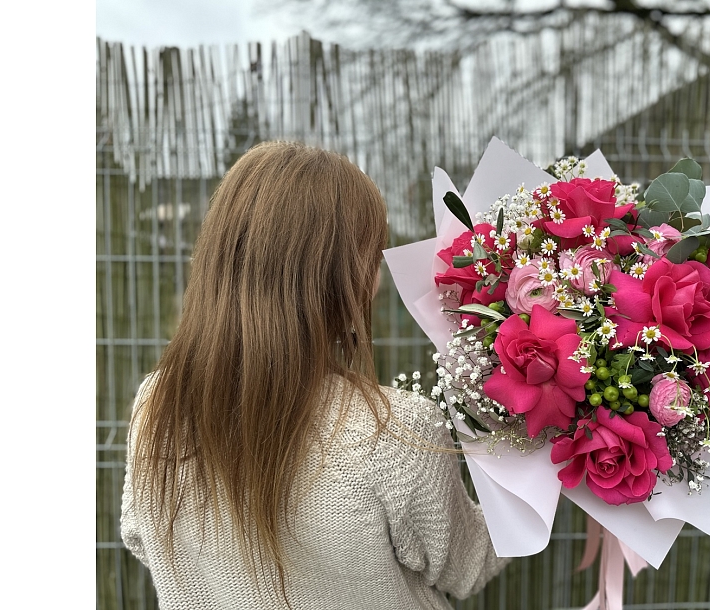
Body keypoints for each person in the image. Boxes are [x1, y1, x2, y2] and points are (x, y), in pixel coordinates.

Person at [121, 142, 509, 609]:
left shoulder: (156, 406)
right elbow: (469, 566)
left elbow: (140, 536)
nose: (377, 281)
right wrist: (551, 440)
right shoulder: (392, 433)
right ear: (338, 278)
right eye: (372, 258)